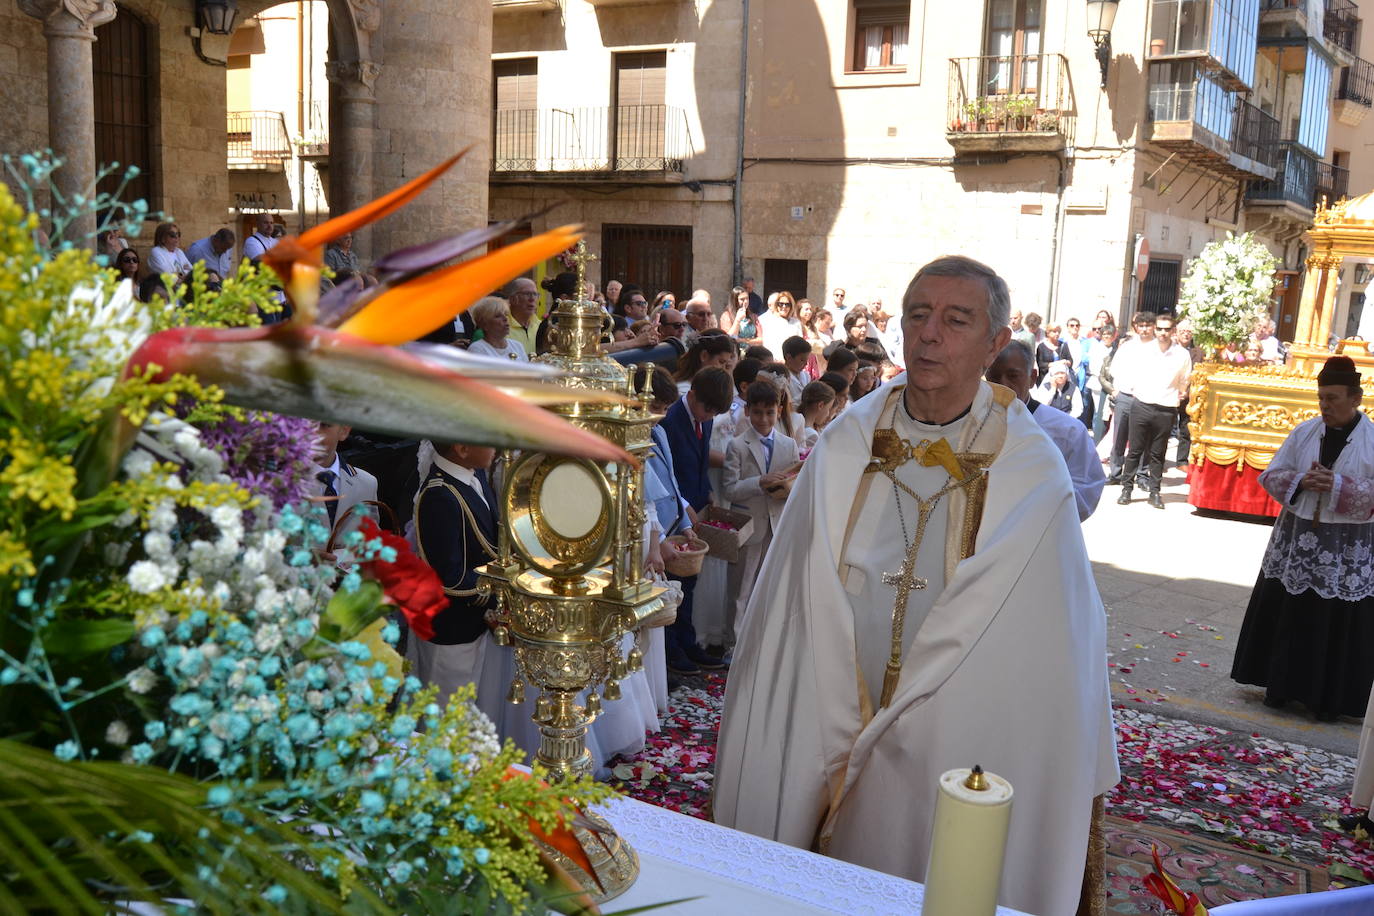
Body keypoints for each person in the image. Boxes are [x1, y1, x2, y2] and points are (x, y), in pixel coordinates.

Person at [714, 255, 1118, 916]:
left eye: (955, 320)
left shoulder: (1032, 471)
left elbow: (1053, 643)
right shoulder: (847, 442)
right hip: (834, 694)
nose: (929, 334)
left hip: (960, 725)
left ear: (994, 343)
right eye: (918, 315)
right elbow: (792, 600)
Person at [1231, 356, 1374, 722]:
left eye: (1333, 399)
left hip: (1345, 545)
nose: (1325, 406)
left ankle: (1325, 698)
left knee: (1333, 619)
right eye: (1321, 397)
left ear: (1355, 399)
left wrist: (1339, 485)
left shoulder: (1371, 440)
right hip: (1297, 538)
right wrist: (1300, 482)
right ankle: (1280, 687)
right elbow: (1272, 474)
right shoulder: (1305, 432)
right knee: (1290, 611)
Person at [660, 367, 735, 675]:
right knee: (672, 582)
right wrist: (686, 505)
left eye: (714, 412)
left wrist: (707, 493)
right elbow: (667, 472)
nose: (708, 416)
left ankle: (688, 641)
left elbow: (700, 463)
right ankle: (672, 648)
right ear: (691, 396)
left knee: (689, 583)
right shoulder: (670, 420)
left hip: (694, 506)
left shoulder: (703, 418)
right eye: (706, 409)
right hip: (672, 513)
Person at [723, 377, 800, 651]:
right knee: (740, 588)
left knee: (767, 585)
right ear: (747, 411)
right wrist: (759, 481)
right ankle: (734, 642)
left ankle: (760, 642)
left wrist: (787, 486)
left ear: (779, 410)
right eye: (757, 412)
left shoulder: (789, 445)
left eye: (770, 412)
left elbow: (793, 484)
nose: (764, 419)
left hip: (776, 523)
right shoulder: (737, 445)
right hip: (749, 524)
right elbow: (730, 489)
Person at [986, 343, 1104, 521]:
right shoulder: (971, 424)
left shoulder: (1067, 430)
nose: (1003, 384)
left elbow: (1086, 489)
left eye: (1013, 376)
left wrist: (1038, 514)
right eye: (994, 376)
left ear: (1032, 377)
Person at [1117, 313, 1191, 510]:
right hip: (1142, 404)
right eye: (1160, 329)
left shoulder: (1182, 354)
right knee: (1135, 450)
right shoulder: (1144, 350)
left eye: (1167, 329)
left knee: (1158, 453)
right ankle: (1126, 489)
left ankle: (1154, 491)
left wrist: (1181, 393)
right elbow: (1129, 371)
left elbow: (1185, 379)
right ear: (1155, 329)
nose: (1163, 333)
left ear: (1173, 331)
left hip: (1166, 408)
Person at [310, 421, 380, 552]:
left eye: (324, 425)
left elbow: (371, 541)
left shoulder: (367, 484)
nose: (312, 432)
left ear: (344, 431)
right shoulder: (279, 482)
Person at [1103, 311, 1156, 485]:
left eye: (1148, 325)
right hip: (1125, 396)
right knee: (1119, 436)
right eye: (1141, 326)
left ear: (1153, 327)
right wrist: (1117, 390)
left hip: (1147, 398)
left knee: (1144, 438)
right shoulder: (1127, 346)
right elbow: (1115, 369)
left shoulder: (1160, 348)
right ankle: (1116, 473)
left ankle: (1141, 475)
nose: (1144, 329)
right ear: (1136, 327)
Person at [466, 296, 528, 362]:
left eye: (506, 314)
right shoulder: (477, 349)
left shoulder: (517, 346)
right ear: (484, 324)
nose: (505, 318)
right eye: (497, 316)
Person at [505, 276, 543, 354]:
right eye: (527, 294)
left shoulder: (540, 326)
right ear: (512, 299)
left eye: (535, 294)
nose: (532, 299)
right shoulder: (502, 327)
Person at [759, 291, 803, 356]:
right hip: (774, 359)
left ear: (791, 306)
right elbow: (767, 343)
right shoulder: (770, 321)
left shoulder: (796, 323)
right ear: (776, 305)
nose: (784, 307)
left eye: (787, 304)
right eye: (781, 304)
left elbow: (799, 343)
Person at [797, 379, 837, 449]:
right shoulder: (812, 435)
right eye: (828, 409)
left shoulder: (798, 423)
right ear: (820, 405)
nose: (828, 414)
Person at [780, 335, 812, 403]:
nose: (806, 364)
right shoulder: (781, 379)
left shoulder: (806, 376)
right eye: (802, 360)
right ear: (789, 358)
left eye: (807, 360)